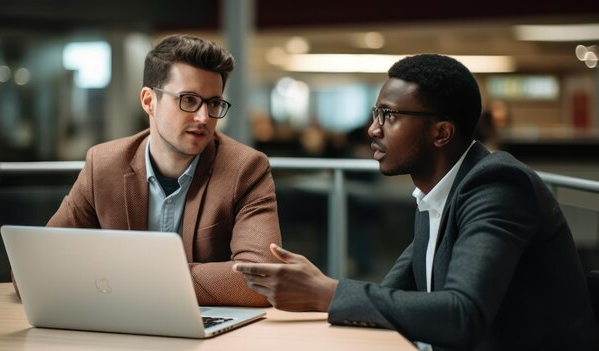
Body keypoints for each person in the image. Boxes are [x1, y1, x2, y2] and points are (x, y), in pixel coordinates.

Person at [234, 54, 598, 350]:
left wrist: (327, 293)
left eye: (389, 115)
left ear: (441, 132)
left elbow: (461, 315)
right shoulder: (435, 193)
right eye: (377, 114)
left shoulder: (497, 185)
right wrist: (319, 286)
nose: (373, 129)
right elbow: (390, 296)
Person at [41, 34, 282, 306]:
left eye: (213, 103)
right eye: (189, 100)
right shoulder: (103, 164)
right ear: (148, 101)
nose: (203, 117)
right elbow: (36, 269)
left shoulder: (245, 168)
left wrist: (132, 278)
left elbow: (263, 278)